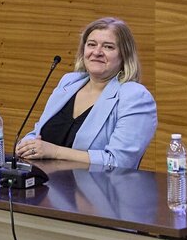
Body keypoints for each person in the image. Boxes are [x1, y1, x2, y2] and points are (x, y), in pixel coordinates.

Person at [16, 17, 156, 170]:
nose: (97, 52)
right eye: (91, 44)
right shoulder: (69, 82)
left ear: (124, 55)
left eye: (108, 47)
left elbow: (118, 162)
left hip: (98, 185)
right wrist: (26, 144)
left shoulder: (135, 96)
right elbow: (37, 133)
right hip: (44, 182)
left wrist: (55, 152)